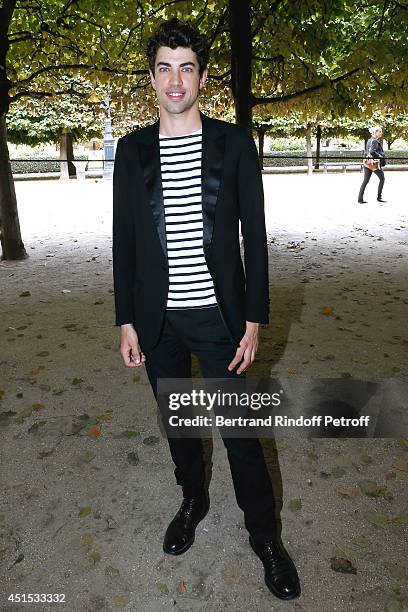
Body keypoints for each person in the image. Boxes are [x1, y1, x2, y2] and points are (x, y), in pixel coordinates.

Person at [112, 17, 300, 601]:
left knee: (242, 436)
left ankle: (265, 538)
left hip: (221, 321)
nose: (175, 80)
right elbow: (124, 241)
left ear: (201, 75)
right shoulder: (130, 150)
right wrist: (125, 318)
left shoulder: (233, 145)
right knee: (181, 428)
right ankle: (192, 501)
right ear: (152, 78)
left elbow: (257, 238)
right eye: (164, 68)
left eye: (185, 67)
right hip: (157, 322)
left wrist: (253, 318)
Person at [358, 126, 386, 203]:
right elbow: (373, 152)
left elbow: (367, 152)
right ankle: (379, 197)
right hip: (374, 164)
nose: (381, 133)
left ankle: (360, 199)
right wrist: (381, 157)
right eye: (380, 131)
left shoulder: (369, 140)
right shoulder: (374, 141)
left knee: (365, 181)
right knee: (382, 179)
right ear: (376, 132)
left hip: (367, 163)